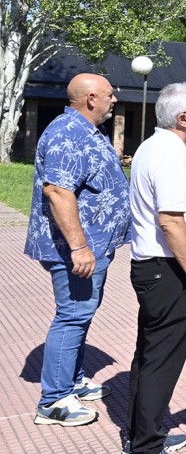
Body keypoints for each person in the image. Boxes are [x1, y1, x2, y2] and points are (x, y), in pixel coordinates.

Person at [26, 73, 130, 427]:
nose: (114, 100)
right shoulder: (68, 133)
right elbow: (57, 191)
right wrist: (80, 246)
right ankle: (54, 400)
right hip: (76, 249)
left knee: (81, 312)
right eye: (110, 94)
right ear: (90, 98)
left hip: (94, 246)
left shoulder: (86, 130)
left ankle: (71, 380)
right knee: (72, 314)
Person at [124, 82, 186, 454]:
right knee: (162, 359)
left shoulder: (160, 148)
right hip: (167, 270)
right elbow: (172, 220)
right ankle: (146, 451)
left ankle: (143, 431)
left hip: (156, 268)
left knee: (149, 354)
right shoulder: (167, 155)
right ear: (182, 119)